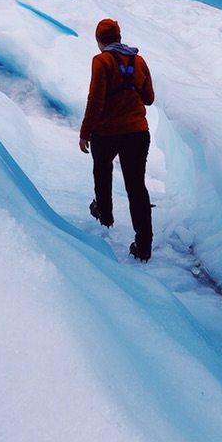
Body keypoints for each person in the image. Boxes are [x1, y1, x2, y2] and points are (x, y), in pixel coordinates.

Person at [79, 17, 156, 261]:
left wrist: (84, 132)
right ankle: (144, 245)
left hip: (107, 131)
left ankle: (105, 213)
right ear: (120, 38)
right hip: (137, 132)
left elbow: (96, 99)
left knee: (102, 171)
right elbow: (149, 98)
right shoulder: (139, 60)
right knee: (136, 187)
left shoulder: (101, 61)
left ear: (99, 41)